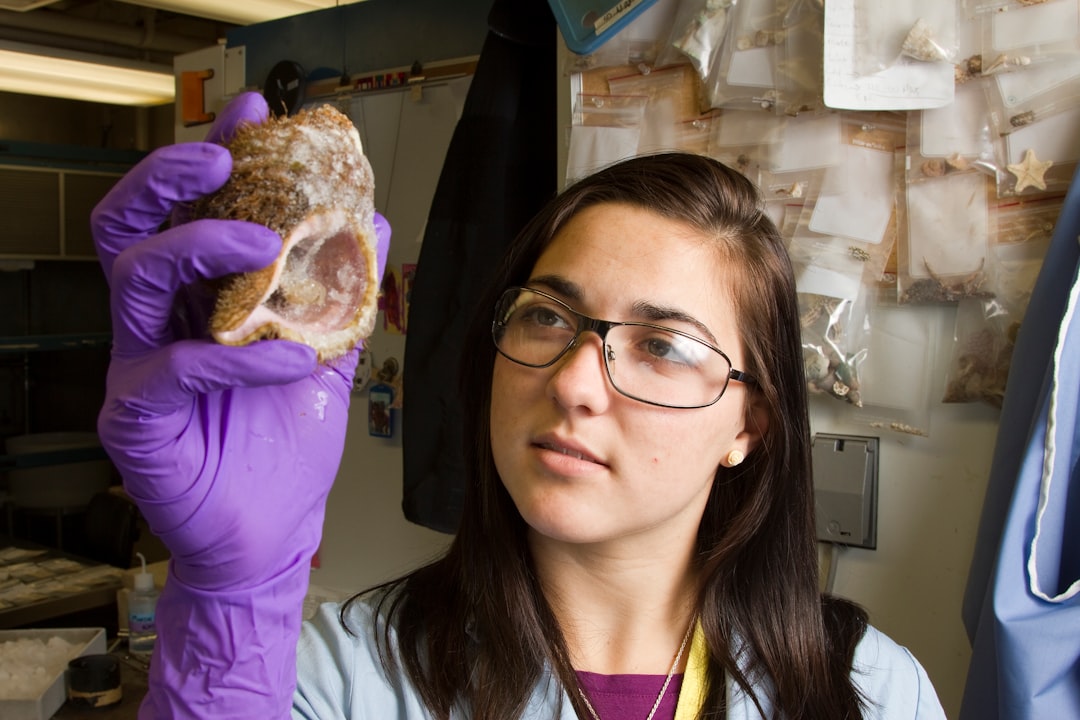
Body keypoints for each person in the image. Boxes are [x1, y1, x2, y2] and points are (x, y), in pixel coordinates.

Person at [92, 92, 945, 719]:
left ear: (748, 425)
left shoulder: (875, 694)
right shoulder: (344, 679)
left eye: (662, 346)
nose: (574, 382)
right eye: (547, 316)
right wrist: (234, 597)